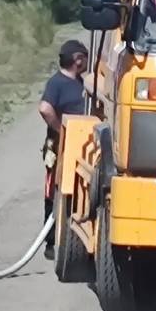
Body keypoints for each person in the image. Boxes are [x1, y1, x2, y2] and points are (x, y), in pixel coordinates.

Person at [38, 39, 89, 259]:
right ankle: (50, 243)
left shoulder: (80, 82)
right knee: (54, 194)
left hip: (79, 148)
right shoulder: (57, 83)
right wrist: (62, 131)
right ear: (77, 60)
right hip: (60, 148)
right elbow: (45, 109)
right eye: (85, 58)